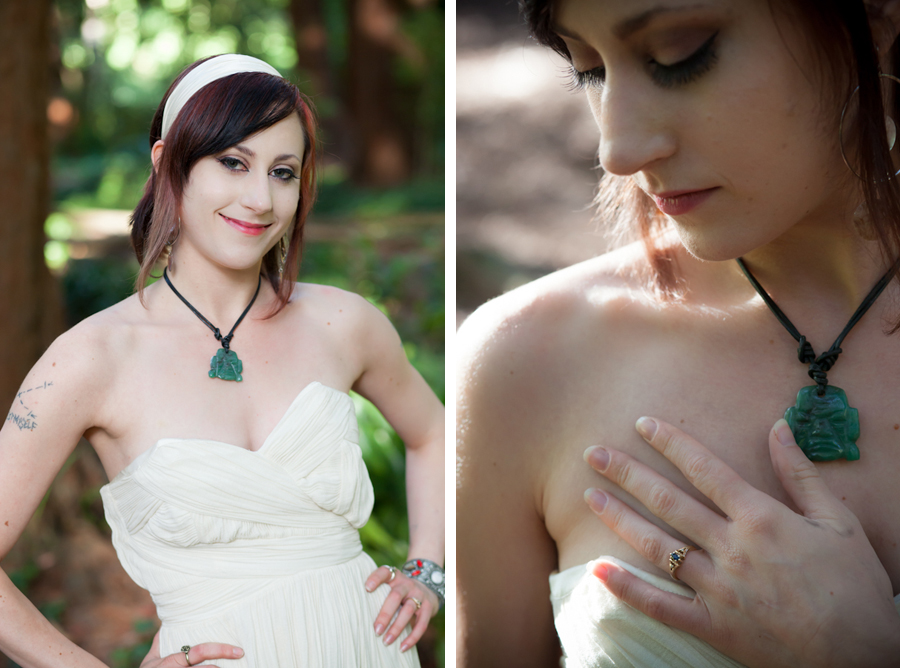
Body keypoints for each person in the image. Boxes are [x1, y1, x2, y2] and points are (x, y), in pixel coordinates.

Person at [457, 1, 900, 666]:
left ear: (877, 17)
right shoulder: (525, 363)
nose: (619, 150)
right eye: (589, 71)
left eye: (679, 55)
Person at [0, 54, 445, 667]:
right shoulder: (91, 358)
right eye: (233, 162)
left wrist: (428, 570)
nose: (259, 198)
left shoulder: (343, 323)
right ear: (167, 165)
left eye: (283, 172)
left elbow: (435, 432)